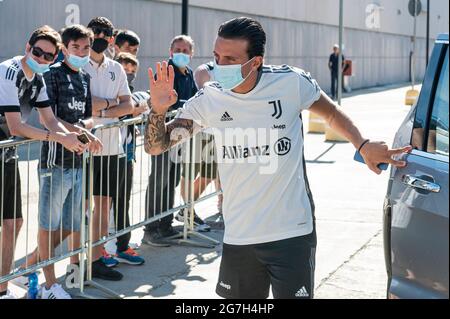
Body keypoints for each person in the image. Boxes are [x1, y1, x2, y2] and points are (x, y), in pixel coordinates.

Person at [144, 17, 412, 299]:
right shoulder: (209, 99)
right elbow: (156, 145)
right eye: (216, 57)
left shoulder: (290, 83)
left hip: (292, 233)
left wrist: (363, 144)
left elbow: (330, 112)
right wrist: (158, 111)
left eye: (230, 59)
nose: (219, 66)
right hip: (239, 236)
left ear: (256, 61)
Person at [0, 25, 86, 299]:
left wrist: (81, 135)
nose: (41, 59)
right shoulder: (8, 71)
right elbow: (15, 127)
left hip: (6, 155)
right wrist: (60, 140)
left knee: (13, 223)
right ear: (27, 47)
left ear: (54, 58)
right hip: (5, 146)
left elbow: (50, 119)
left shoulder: (38, 79)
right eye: (37, 52)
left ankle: (2, 289)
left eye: (48, 56)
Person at [38, 24, 103, 299]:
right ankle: (49, 285)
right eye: (75, 47)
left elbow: (88, 116)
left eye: (85, 47)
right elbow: (49, 117)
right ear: (64, 48)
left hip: (79, 162)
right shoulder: (52, 74)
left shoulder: (86, 77)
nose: (81, 52)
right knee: (48, 225)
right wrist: (81, 130)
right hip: (56, 161)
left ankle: (39, 265)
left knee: (72, 225)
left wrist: (84, 127)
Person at [84, 16, 134, 281]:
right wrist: (110, 105)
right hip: (85, 148)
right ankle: (77, 259)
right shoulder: (80, 66)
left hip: (112, 146)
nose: (102, 37)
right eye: (97, 32)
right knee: (82, 208)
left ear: (113, 38)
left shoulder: (116, 67)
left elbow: (129, 105)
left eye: (107, 33)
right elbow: (83, 105)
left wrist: (102, 106)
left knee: (104, 205)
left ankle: (97, 255)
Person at [141, 35, 200, 246]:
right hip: (161, 133)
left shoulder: (189, 74)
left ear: (192, 53)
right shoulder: (167, 72)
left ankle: (165, 223)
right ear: (170, 50)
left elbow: (193, 100)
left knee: (172, 179)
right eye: (178, 49)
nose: (182, 53)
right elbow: (159, 100)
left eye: (186, 50)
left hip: (178, 136)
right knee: (160, 179)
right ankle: (151, 228)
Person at [111, 51, 147, 265]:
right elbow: (121, 112)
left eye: (132, 72)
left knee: (124, 201)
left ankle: (123, 246)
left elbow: (136, 112)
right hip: (108, 154)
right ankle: (104, 250)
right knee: (104, 206)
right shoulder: (111, 91)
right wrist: (132, 112)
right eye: (125, 71)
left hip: (127, 154)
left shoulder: (130, 92)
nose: (129, 75)